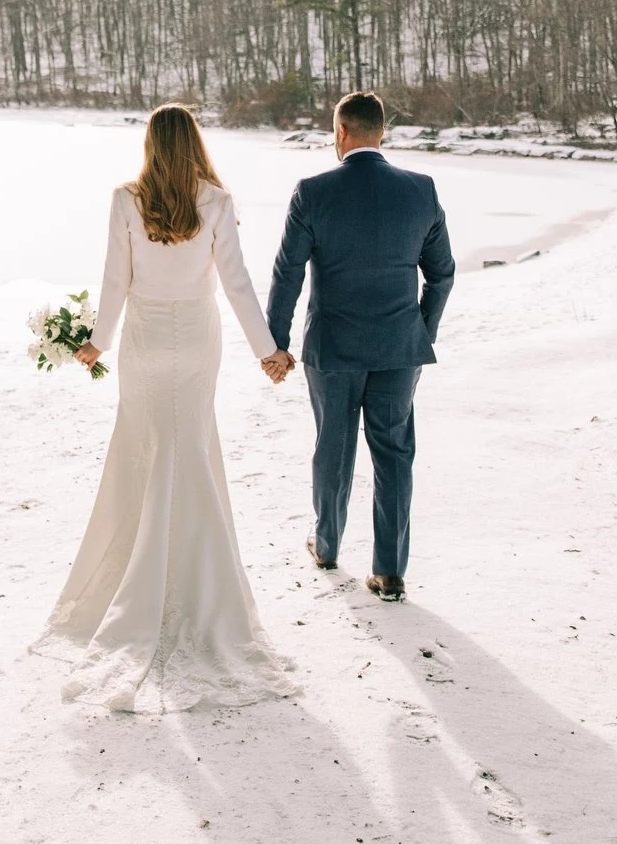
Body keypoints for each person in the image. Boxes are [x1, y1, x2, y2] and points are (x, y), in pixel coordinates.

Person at [36, 104, 300, 711]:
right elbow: (236, 282)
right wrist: (268, 351)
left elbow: (113, 279)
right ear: (196, 144)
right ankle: (200, 589)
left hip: (145, 341)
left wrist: (97, 340)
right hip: (197, 341)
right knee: (190, 452)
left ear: (152, 145)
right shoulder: (218, 201)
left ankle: (139, 578)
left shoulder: (127, 198)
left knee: (147, 453)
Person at [266, 90, 454, 603]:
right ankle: (390, 572)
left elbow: (287, 275)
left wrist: (275, 343)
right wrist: (422, 330)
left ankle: (326, 545)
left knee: (334, 446)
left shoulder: (313, 191)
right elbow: (442, 274)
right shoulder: (421, 190)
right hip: (399, 347)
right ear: (383, 132)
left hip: (333, 347)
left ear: (342, 132)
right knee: (393, 453)